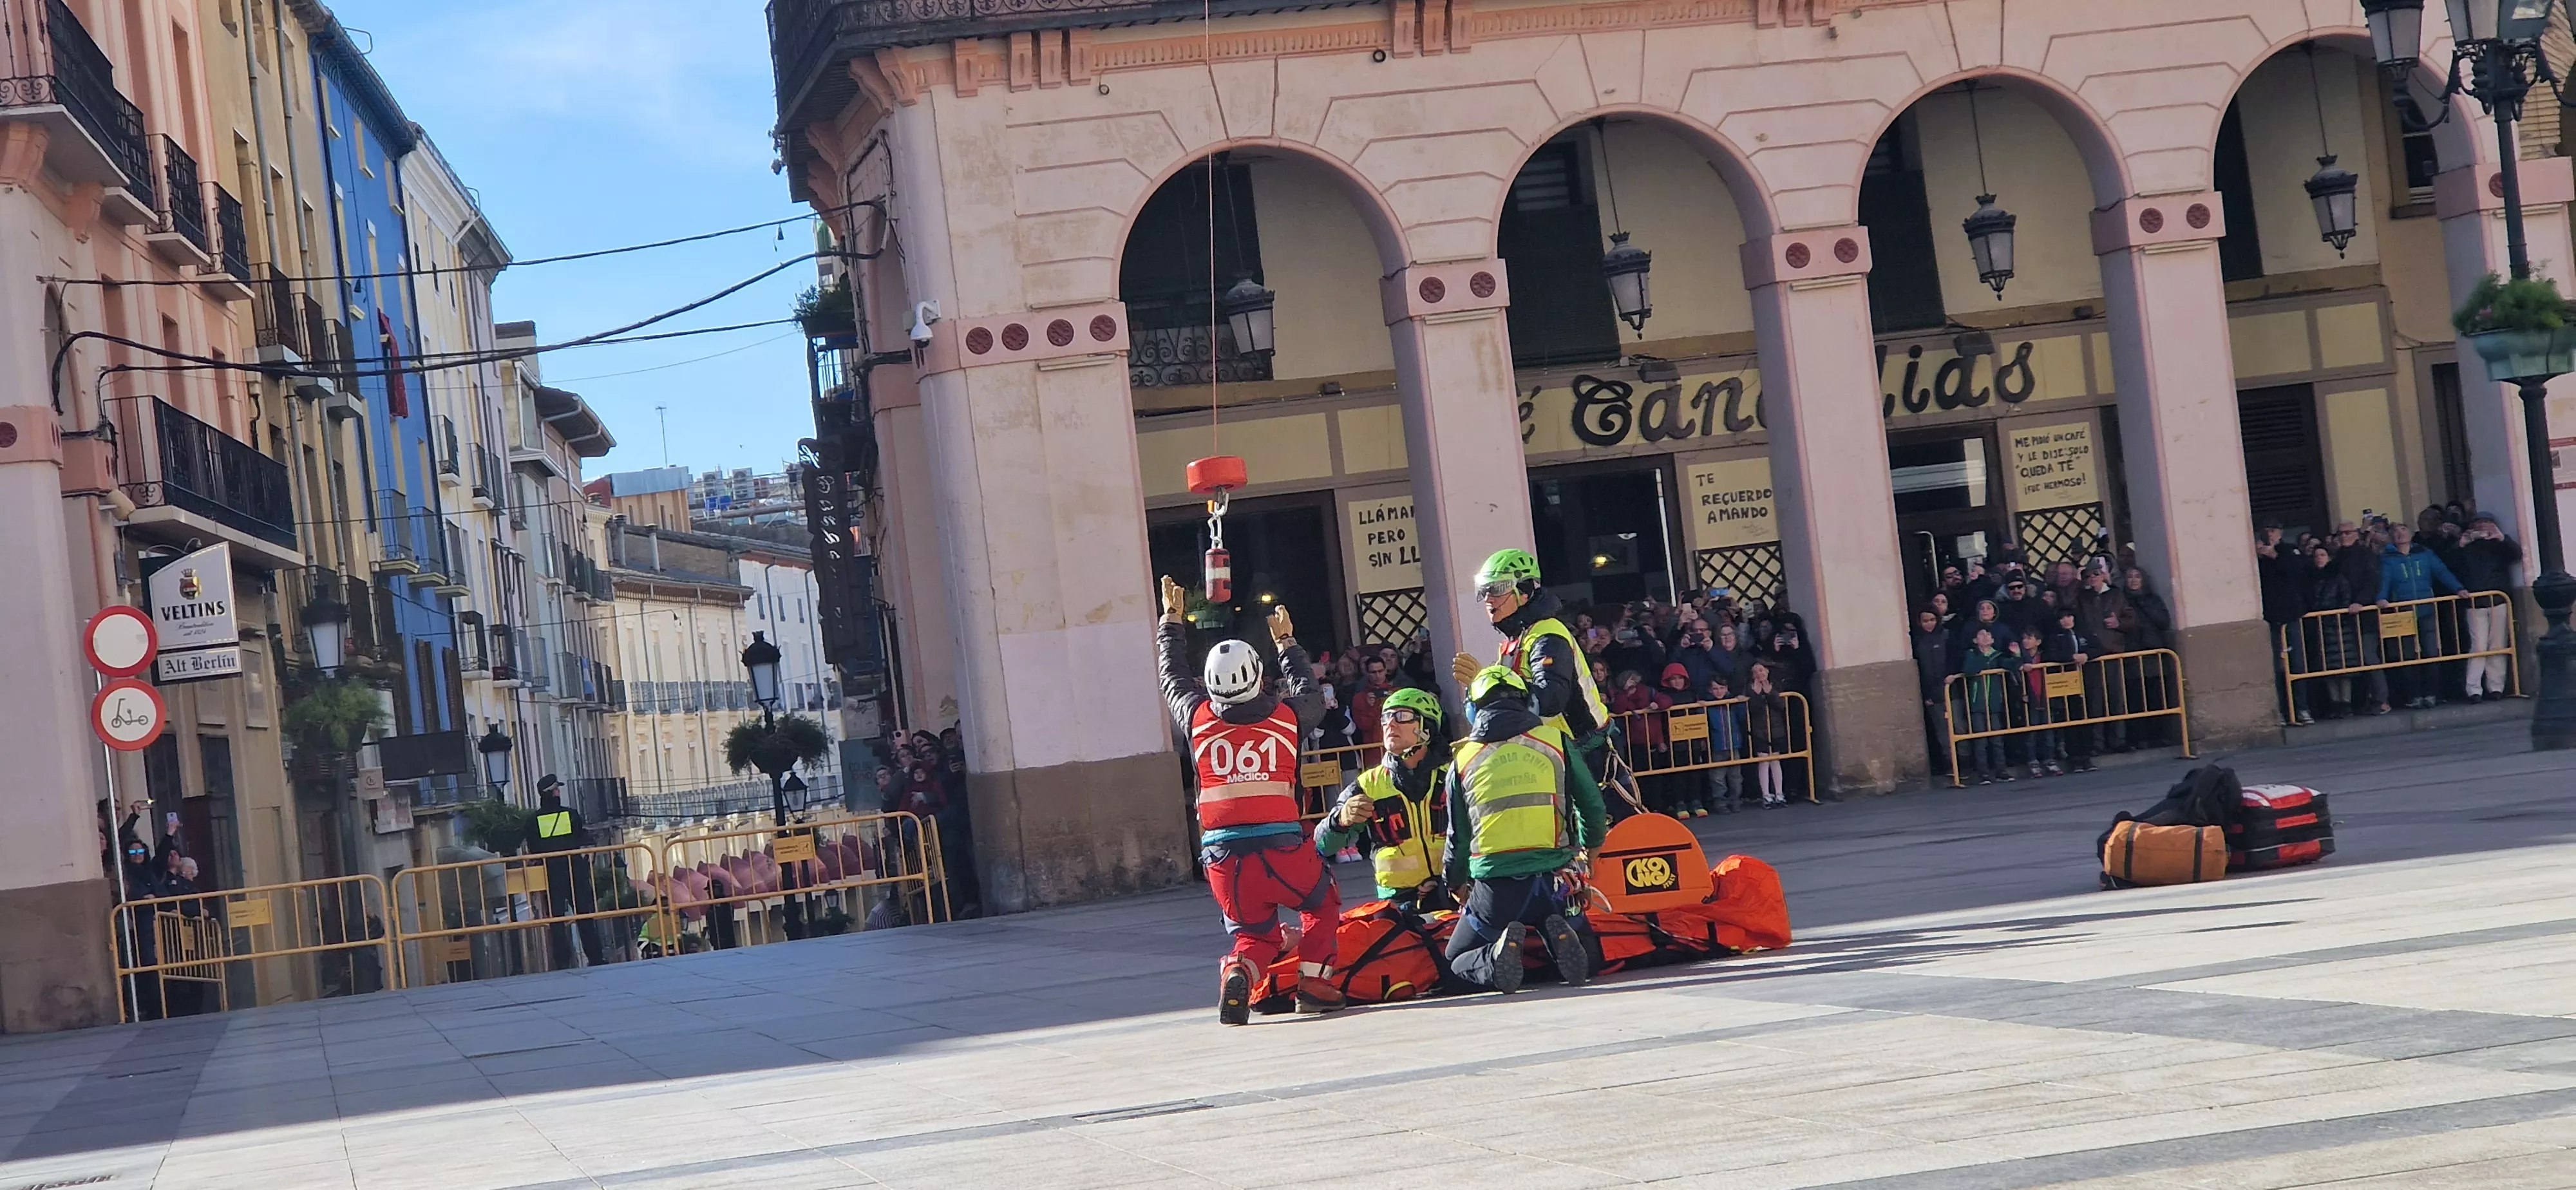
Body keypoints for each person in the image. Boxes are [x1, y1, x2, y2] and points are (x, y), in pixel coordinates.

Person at [1154, 575, 1341, 1023]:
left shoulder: (1195, 717)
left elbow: (1171, 676)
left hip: (1223, 857)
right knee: (1322, 902)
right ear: (1259, 676)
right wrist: (1288, 643)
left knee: (1255, 935)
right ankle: (1314, 983)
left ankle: (1240, 970)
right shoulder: (1288, 718)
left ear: (1211, 685)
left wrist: (1171, 622)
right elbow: (1309, 692)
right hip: (1283, 847)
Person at [1440, 666, 1602, 994]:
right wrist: (1592, 851)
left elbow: (1459, 836)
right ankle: (1560, 931)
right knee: (1592, 957)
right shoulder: (1556, 742)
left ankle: (1494, 955)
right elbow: (1593, 805)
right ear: (1528, 703)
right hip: (1558, 876)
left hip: (1497, 887)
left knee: (1456, 960)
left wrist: (1455, 882)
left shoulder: (1463, 760)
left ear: (1473, 710)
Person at [1454, 549, 1620, 817]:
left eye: (1496, 589)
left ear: (1525, 591)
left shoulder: (1547, 635)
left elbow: (1550, 700)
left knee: (1598, 838)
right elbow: (1513, 702)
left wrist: (1485, 680)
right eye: (1484, 591)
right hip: (1553, 752)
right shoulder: (1516, 640)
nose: (1488, 599)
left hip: (1585, 751)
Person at [1314, 687, 1454, 910]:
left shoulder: (1454, 775)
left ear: (1427, 727)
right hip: (1398, 904)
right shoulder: (1368, 784)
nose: (1391, 723)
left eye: (1403, 716)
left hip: (1455, 893)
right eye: (1386, 717)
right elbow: (1321, 846)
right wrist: (1339, 821)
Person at [2377, 523, 2465, 708]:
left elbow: (2441, 571)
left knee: (2432, 652)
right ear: (2392, 538)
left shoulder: (2424, 553)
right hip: (2403, 611)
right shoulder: (2387, 558)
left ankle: (2432, 693)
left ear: (2410, 534)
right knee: (2407, 655)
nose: (2401, 534)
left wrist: (2458, 588)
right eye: (2396, 532)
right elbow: (2385, 580)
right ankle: (2414, 695)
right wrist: (2382, 598)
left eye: (2403, 530)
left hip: (2426, 608)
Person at [524, 776, 603, 968]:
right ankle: (594, 957)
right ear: (553, 792)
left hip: (550, 872)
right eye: (557, 790)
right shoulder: (571, 815)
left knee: (556, 918)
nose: (559, 792)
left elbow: (533, 847)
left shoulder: (533, 820)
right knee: (584, 915)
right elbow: (581, 837)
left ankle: (562, 961)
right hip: (574, 869)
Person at [2456, 513, 2524, 703]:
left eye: (2486, 523)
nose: (2482, 528)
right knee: (2478, 646)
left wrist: (2502, 538)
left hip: (2499, 599)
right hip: (2475, 602)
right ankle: (2474, 689)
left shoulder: (2499, 544)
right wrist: (2461, 545)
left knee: (2498, 645)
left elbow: (2517, 554)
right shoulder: (2466, 547)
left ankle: (2496, 687)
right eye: (2478, 524)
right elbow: (2454, 566)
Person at [2039, 607, 2098, 771]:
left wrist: (2087, 655)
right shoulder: (2054, 637)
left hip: (2086, 681)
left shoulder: (2083, 632)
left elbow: (2098, 647)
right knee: (2071, 720)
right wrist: (2071, 658)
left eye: (2069, 617)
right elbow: (2050, 655)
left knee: (2087, 718)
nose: (2066, 620)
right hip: (2067, 682)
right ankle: (2075, 758)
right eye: (2062, 618)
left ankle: (2087, 756)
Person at [1959, 626, 2016, 784]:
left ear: (1993, 640)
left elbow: (2011, 664)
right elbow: (1969, 670)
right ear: (1975, 641)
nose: (1985, 636)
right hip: (1977, 704)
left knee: (1997, 739)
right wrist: (1983, 656)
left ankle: (2001, 771)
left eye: (1988, 634)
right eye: (1981, 635)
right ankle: (1983, 773)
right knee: (1980, 740)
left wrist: (2016, 654)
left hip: (1994, 703)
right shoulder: (1971, 654)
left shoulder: (1997, 655)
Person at [1911, 607, 1953, 780]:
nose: (1929, 624)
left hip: (1951, 690)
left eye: (1932, 620)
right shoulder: (1917, 641)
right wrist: (1926, 694)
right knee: (1941, 731)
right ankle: (1950, 764)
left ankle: (1964, 762)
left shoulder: (1947, 636)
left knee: (1958, 726)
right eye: (1925, 621)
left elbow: (1953, 659)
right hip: (1932, 693)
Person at [1745, 662, 1792, 806]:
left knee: (1775, 760)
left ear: (1767, 671)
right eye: (1756, 672)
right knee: (1763, 762)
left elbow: (1780, 705)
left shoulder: (1776, 685)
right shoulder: (1749, 689)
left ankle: (1779, 793)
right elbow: (1752, 708)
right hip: (1759, 730)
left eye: (1761, 670)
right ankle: (1766, 794)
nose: (1759, 674)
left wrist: (1770, 693)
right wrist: (1757, 695)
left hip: (1776, 729)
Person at [1701, 674, 1748, 813]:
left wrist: (1740, 703)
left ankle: (1736, 801)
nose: (1719, 692)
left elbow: (1742, 717)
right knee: (1717, 777)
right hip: (1717, 746)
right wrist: (1700, 707)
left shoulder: (1733, 702)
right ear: (1710, 690)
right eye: (1715, 689)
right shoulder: (1708, 704)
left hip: (1734, 744)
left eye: (1722, 688)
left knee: (1736, 777)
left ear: (1727, 688)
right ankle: (1720, 803)